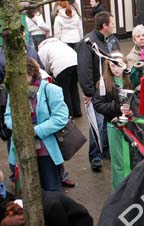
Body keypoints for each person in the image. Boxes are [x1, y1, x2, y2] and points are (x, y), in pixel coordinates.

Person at [4, 58, 68, 191]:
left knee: (51, 190)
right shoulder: (14, 91)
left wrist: (34, 131)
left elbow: (60, 118)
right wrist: (20, 129)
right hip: (22, 149)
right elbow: (8, 116)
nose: (18, 80)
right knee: (26, 190)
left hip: (46, 150)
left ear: (31, 72)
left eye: (21, 76)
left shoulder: (51, 90)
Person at [78, 11, 119, 172]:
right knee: (97, 123)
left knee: (105, 121)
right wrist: (89, 91)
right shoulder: (88, 43)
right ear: (104, 26)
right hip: (96, 91)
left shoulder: (109, 40)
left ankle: (106, 149)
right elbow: (84, 68)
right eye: (112, 24)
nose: (114, 26)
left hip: (106, 88)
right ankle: (95, 156)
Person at [92, 52, 133, 190]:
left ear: (125, 64)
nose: (116, 69)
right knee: (119, 162)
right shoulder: (103, 83)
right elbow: (98, 105)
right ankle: (120, 191)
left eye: (119, 65)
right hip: (114, 126)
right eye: (112, 65)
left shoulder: (131, 80)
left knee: (132, 159)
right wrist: (116, 107)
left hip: (131, 125)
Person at [37, 37, 81, 118]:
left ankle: (69, 114)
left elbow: (43, 66)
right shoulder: (60, 43)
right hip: (76, 63)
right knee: (73, 87)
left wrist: (48, 73)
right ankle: (77, 111)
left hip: (61, 67)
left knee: (65, 90)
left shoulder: (42, 49)